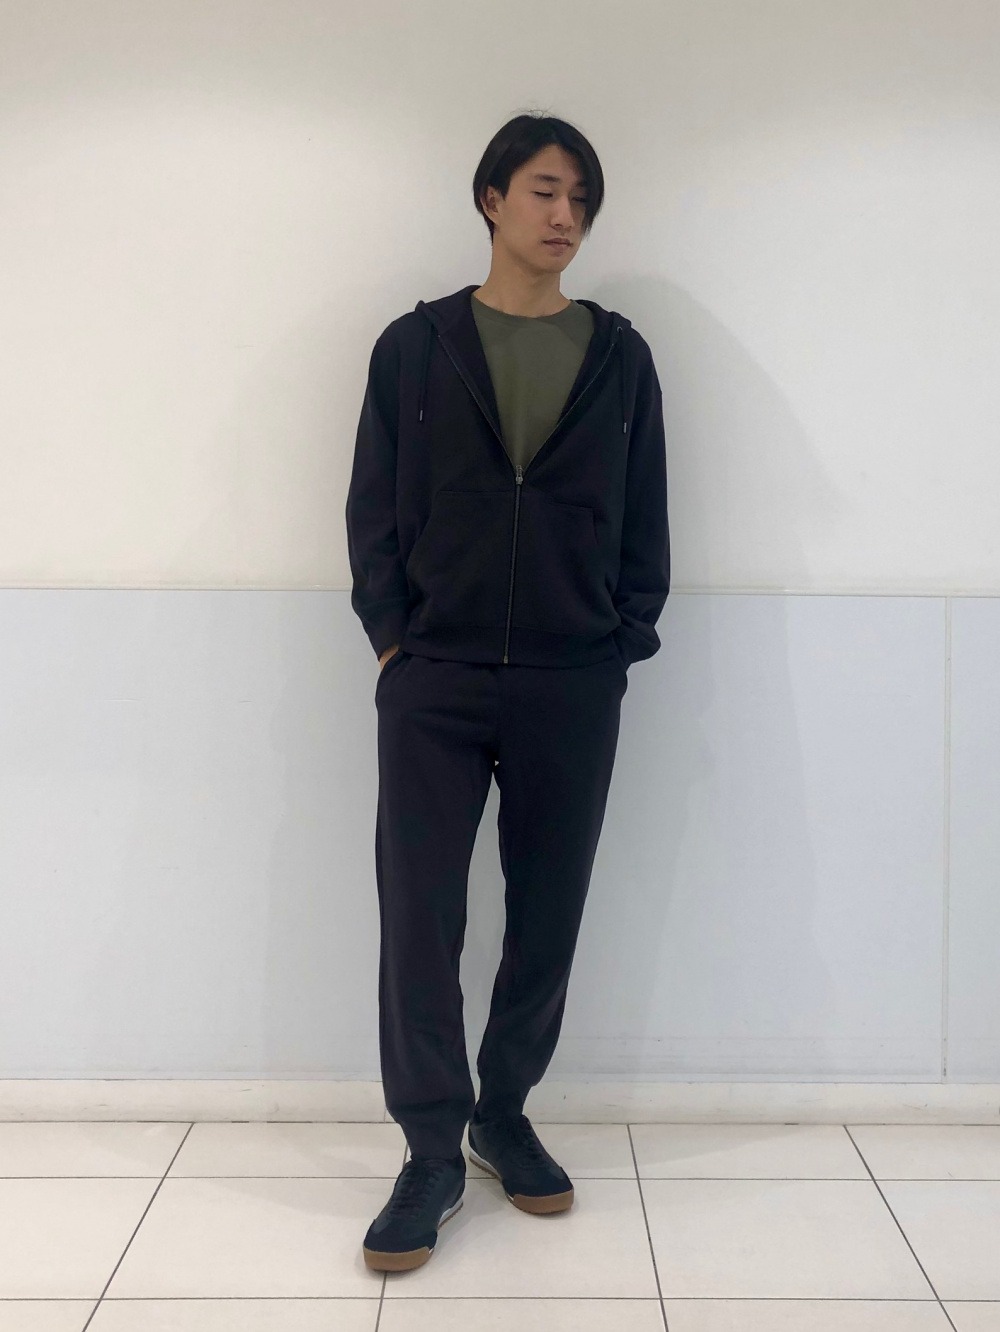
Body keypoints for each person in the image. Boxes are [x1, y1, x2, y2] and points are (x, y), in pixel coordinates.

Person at [345, 111, 670, 1273]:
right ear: (491, 198)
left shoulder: (620, 355)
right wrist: (393, 643)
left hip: (570, 681)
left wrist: (620, 640)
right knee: (419, 919)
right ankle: (430, 1151)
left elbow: (646, 515)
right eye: (544, 190)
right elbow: (372, 504)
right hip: (433, 677)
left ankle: (503, 1113)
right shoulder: (415, 347)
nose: (565, 215)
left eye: (581, 198)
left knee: (547, 915)